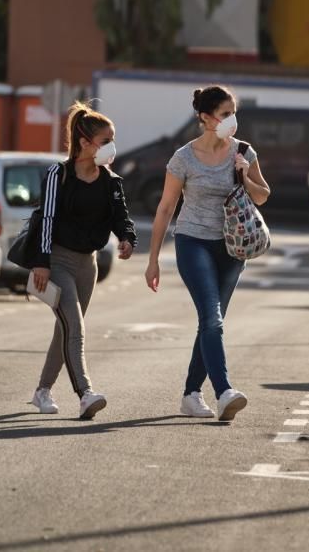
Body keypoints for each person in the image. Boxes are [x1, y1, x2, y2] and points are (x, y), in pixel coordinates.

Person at [145, 85, 271, 421]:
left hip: (232, 246)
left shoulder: (244, 151)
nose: (232, 120)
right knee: (212, 319)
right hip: (193, 241)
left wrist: (244, 173)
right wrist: (153, 259)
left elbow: (262, 196)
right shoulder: (183, 157)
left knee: (210, 323)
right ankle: (224, 391)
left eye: (234, 113)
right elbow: (165, 208)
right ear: (205, 118)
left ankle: (190, 394)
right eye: (225, 114)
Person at [30, 102, 137, 419]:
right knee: (74, 327)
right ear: (84, 143)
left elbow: (122, 218)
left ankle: (42, 391)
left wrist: (128, 239)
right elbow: (46, 218)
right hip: (58, 262)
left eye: (113, 139)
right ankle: (85, 393)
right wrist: (42, 262)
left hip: (87, 265)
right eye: (106, 141)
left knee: (64, 331)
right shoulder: (58, 174)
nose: (112, 147)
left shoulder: (111, 181)